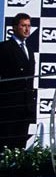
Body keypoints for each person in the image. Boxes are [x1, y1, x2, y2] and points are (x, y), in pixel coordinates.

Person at [0, 13, 36, 150]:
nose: (27, 29)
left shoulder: (30, 50)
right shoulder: (4, 48)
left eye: (29, 26)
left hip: (26, 105)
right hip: (9, 105)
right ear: (14, 28)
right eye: (23, 26)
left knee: (22, 144)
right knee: (7, 144)